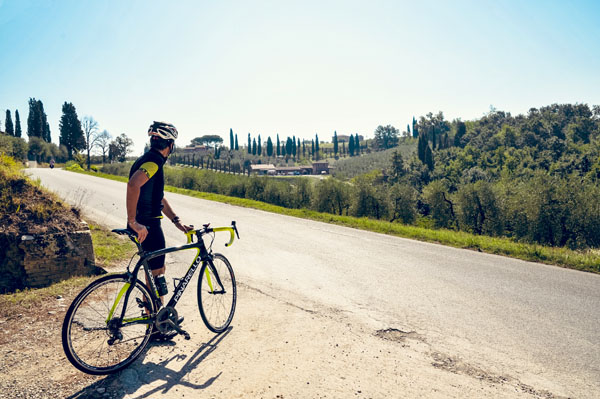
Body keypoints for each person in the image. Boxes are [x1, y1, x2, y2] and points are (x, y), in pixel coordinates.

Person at [126, 121, 191, 340]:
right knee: (157, 274)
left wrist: (176, 221)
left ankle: (155, 322)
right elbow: (134, 184)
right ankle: (158, 327)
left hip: (146, 224)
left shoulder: (146, 160)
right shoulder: (154, 161)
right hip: (149, 226)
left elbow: (158, 196)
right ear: (170, 145)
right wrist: (133, 221)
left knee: (151, 278)